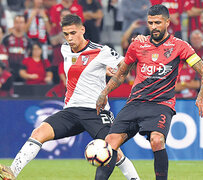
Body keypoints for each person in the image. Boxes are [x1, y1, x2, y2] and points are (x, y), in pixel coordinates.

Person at [0, 14, 140, 180]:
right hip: (71, 110)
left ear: (82, 30)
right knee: (39, 132)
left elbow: (126, 65)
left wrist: (128, 56)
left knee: (111, 151)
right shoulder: (64, 48)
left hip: (95, 111)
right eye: (66, 34)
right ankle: (12, 172)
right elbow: (80, 67)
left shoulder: (101, 51)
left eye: (73, 33)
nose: (69, 38)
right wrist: (103, 70)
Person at [96, 4, 203, 180]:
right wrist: (104, 93)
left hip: (161, 105)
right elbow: (122, 73)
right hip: (135, 103)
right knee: (109, 145)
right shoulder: (138, 45)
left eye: (157, 22)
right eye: (150, 23)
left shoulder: (180, 46)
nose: (154, 26)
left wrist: (201, 96)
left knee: (157, 140)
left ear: (167, 22)